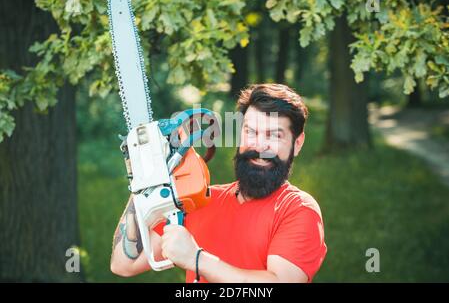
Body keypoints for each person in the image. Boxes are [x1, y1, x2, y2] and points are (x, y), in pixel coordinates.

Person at [110, 83, 327, 283]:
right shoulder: (199, 200)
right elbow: (124, 264)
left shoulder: (297, 209)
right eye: (251, 132)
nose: (260, 146)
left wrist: (196, 259)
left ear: (297, 144)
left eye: (274, 135)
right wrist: (145, 181)